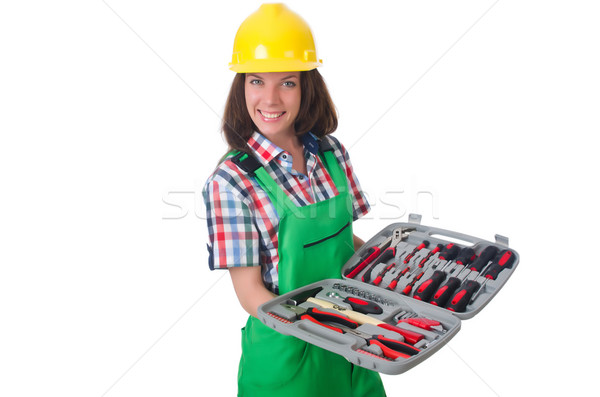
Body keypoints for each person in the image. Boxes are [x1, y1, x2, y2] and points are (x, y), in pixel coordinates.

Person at [203, 4, 386, 396]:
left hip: (356, 344)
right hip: (286, 358)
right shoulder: (232, 181)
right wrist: (314, 327)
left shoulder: (331, 153)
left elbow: (342, 242)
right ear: (242, 87)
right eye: (256, 81)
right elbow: (250, 293)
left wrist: (391, 267)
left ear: (306, 87)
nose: (269, 98)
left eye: (286, 83)